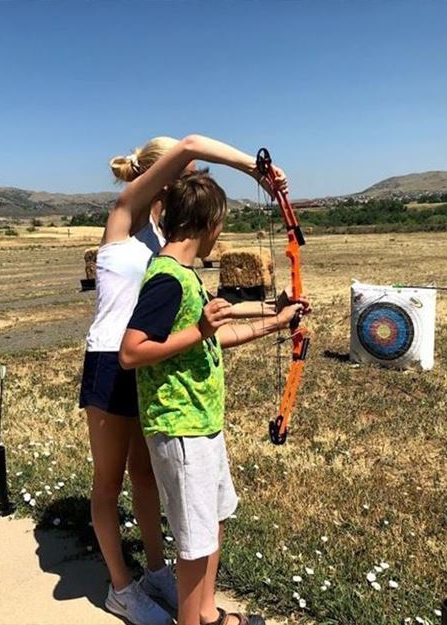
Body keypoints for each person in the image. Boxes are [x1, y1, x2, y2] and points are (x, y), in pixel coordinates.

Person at [79, 134, 286, 625]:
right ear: (164, 173)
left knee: (146, 474)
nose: (198, 173)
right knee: (108, 483)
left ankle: (153, 571)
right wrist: (256, 170)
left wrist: (272, 317)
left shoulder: (166, 236)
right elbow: (192, 142)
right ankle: (122, 588)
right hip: (113, 362)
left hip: (156, 366)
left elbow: (200, 314)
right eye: (188, 168)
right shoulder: (125, 216)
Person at [119, 169, 308, 625]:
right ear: (208, 224)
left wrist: (275, 318)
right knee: (194, 541)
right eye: (221, 224)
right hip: (180, 428)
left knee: (211, 524)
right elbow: (132, 351)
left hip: (200, 424)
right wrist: (199, 329)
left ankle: (207, 615)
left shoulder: (183, 276)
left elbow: (208, 337)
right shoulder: (166, 278)